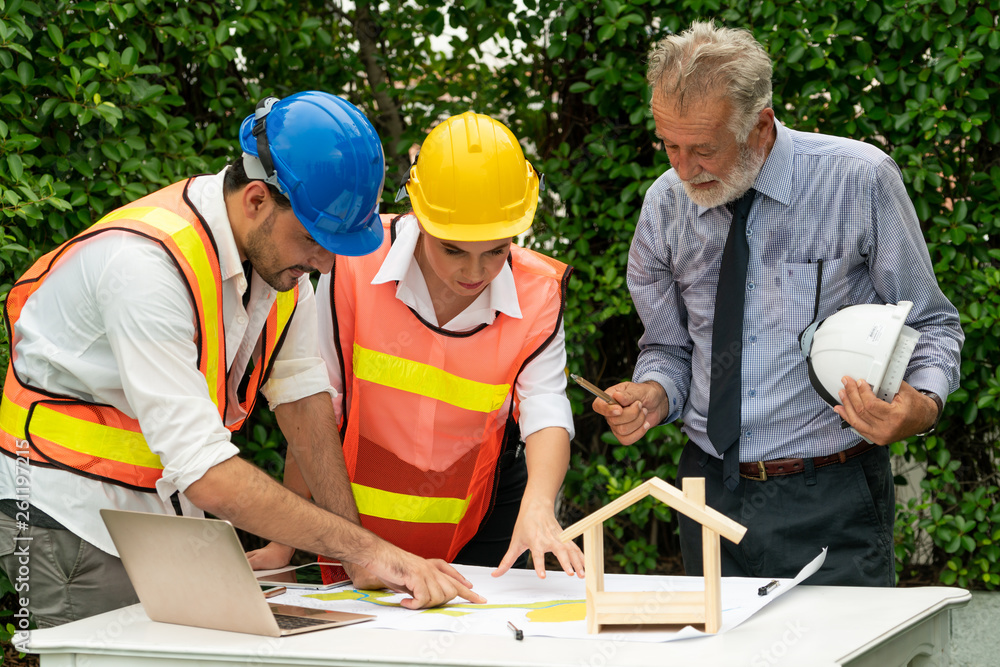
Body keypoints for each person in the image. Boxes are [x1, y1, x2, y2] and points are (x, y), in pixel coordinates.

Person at [0, 91, 484, 628]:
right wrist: (366, 547)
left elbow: (303, 402)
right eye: (313, 238)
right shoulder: (145, 268)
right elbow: (205, 471)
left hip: (158, 518)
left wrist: (357, 554)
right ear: (257, 199)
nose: (324, 261)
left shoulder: (279, 267)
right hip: (68, 517)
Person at [591, 21, 963, 586]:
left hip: (833, 494)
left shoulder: (859, 180)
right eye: (670, 145)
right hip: (706, 491)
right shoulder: (663, 206)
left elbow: (932, 323)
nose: (684, 170)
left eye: (705, 149)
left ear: (760, 125)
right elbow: (668, 347)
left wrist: (922, 406)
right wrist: (653, 394)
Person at [246, 112, 585, 581]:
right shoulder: (353, 264)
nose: (476, 272)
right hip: (355, 525)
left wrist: (540, 508)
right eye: (453, 250)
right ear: (419, 218)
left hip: (476, 528)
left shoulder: (538, 292)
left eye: (496, 250)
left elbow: (545, 407)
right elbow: (314, 405)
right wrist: (284, 541)